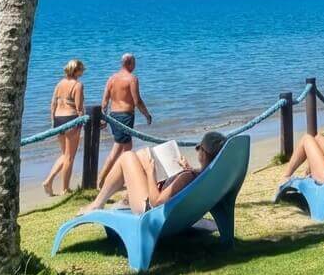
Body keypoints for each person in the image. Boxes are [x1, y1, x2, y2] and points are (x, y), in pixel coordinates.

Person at [82, 131, 225, 215]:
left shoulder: (188, 177)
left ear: (204, 155)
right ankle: (124, 198)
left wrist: (151, 174)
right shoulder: (210, 176)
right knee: (143, 155)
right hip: (176, 214)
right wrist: (187, 168)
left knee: (127, 157)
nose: (198, 151)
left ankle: (98, 203)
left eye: (199, 148)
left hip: (150, 211)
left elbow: (156, 203)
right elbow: (192, 179)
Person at [98, 53, 153, 187]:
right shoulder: (131, 79)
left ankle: (121, 179)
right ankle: (102, 180)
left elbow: (105, 101)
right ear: (129, 63)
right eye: (134, 63)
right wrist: (147, 114)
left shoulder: (111, 78)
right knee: (119, 150)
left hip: (113, 116)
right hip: (125, 117)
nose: (135, 66)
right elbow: (137, 100)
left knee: (125, 149)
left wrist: (104, 118)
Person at [43, 59, 86, 197]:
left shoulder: (59, 83)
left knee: (64, 154)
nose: (83, 71)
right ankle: (65, 189)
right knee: (69, 157)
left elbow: (53, 103)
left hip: (58, 119)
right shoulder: (77, 85)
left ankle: (48, 181)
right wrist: (83, 122)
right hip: (70, 119)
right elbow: (79, 108)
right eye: (82, 69)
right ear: (76, 70)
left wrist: (53, 121)